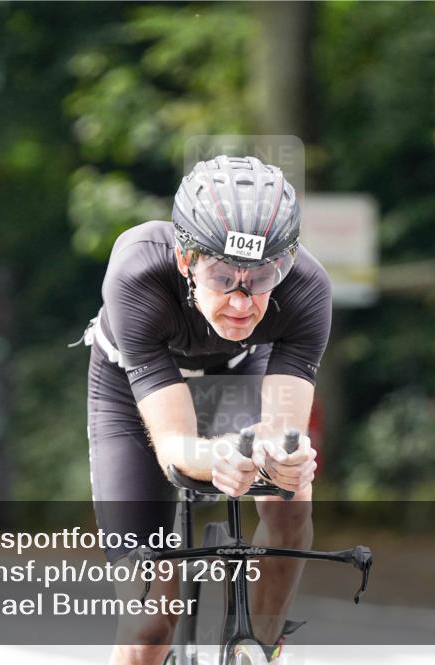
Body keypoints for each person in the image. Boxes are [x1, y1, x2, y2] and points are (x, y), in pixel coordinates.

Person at [80, 155, 332, 665]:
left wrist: (283, 461)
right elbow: (174, 446)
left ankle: (260, 647)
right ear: (184, 259)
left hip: (236, 369)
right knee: (148, 626)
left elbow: (281, 432)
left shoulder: (307, 288)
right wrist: (218, 457)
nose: (241, 302)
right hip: (131, 389)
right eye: (221, 277)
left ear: (284, 265)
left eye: (261, 278)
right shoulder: (137, 272)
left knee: (290, 494)